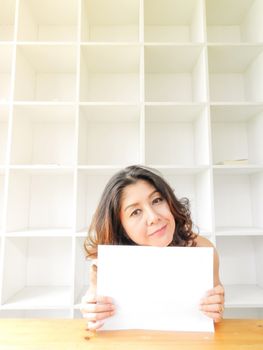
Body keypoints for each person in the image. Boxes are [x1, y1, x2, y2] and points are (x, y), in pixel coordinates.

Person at [81, 165, 225, 330]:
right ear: (121, 227)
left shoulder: (202, 250)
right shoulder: (106, 264)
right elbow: (95, 314)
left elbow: (216, 310)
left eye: (157, 200)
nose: (153, 217)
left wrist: (217, 307)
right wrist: (92, 309)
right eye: (135, 212)